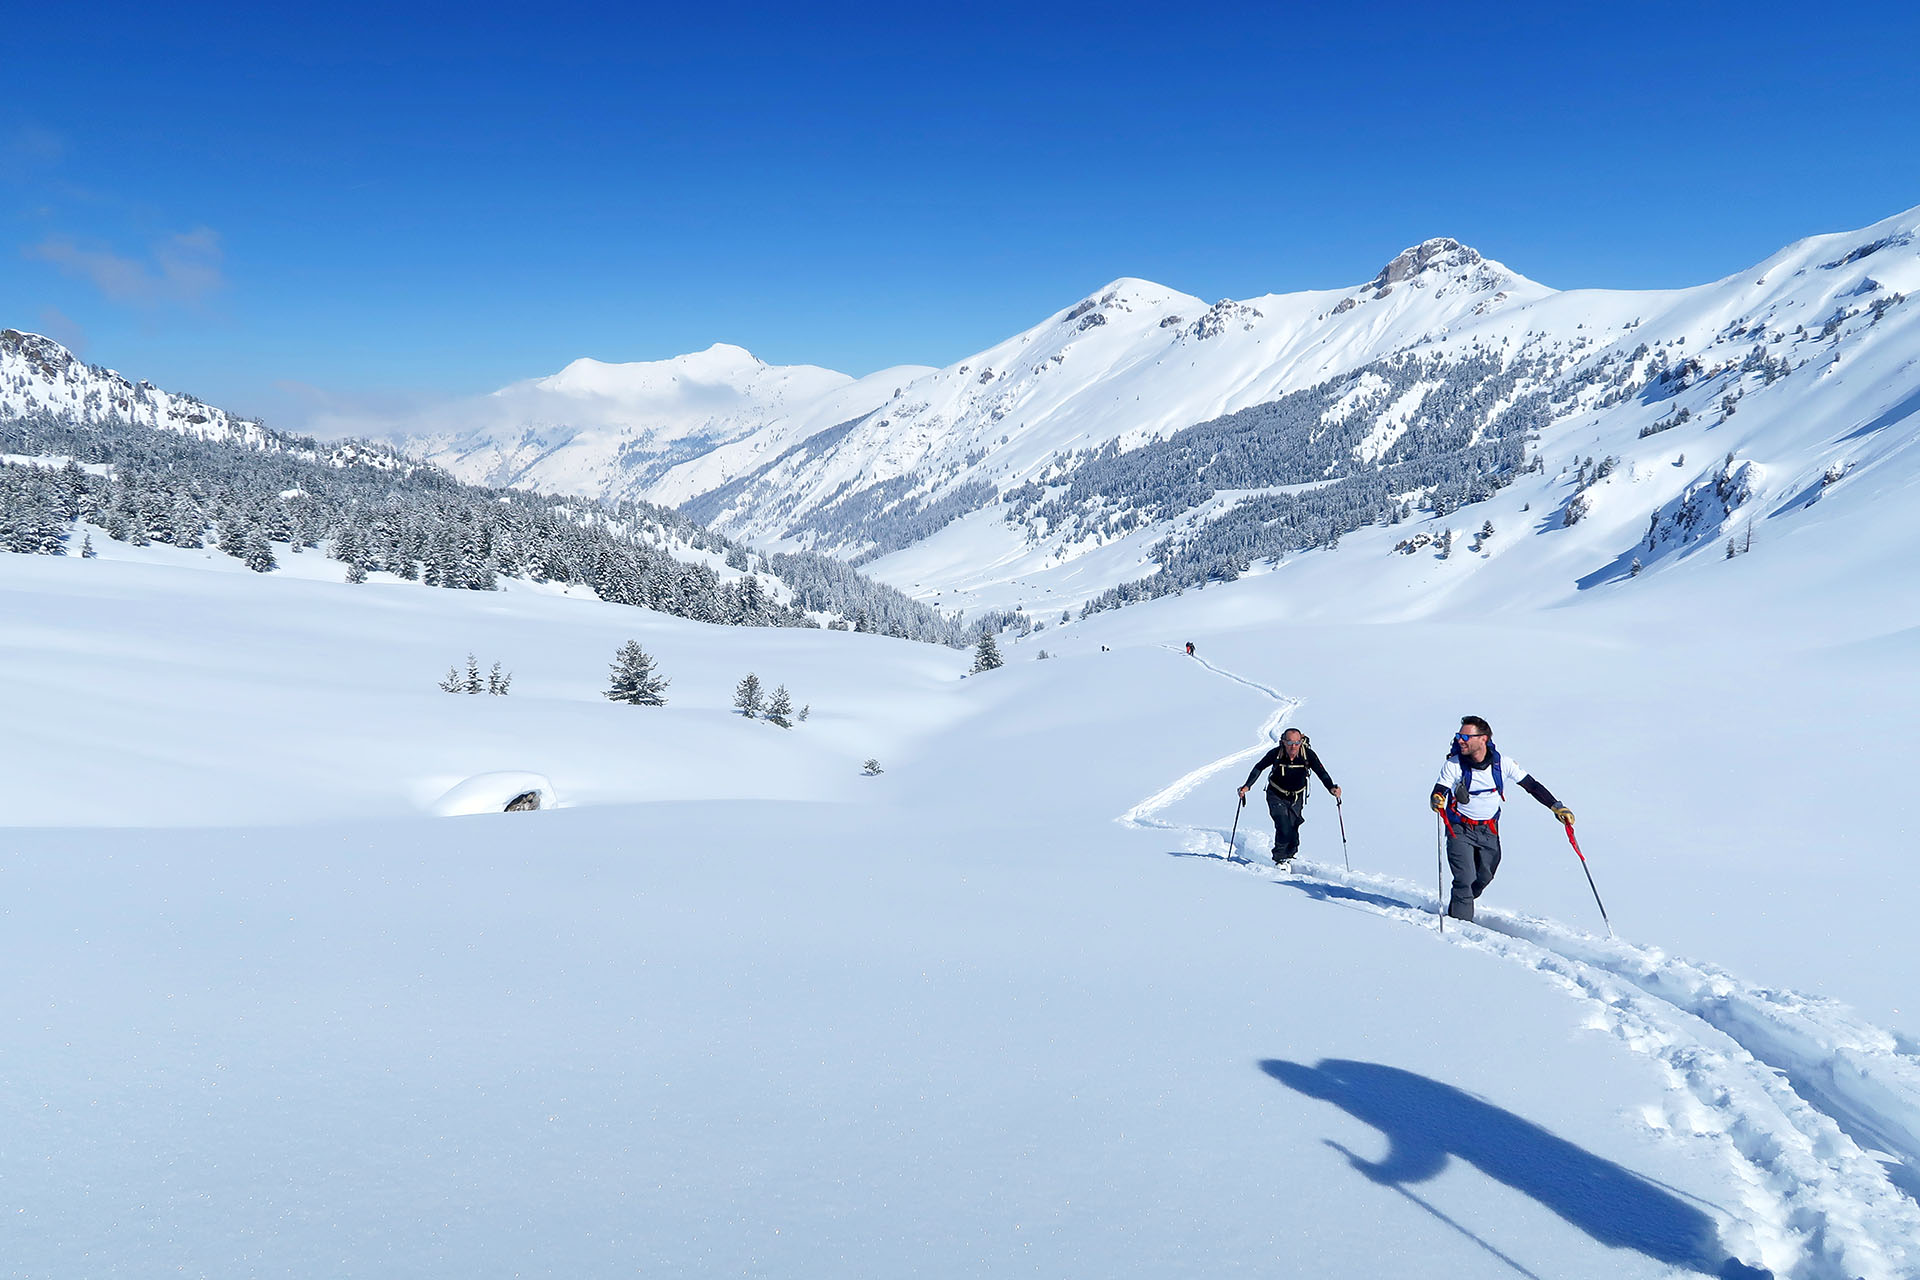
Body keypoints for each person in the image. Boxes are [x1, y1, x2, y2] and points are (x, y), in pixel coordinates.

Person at [1428, 716, 1574, 922]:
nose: (1460, 740)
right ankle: (1458, 929)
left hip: (1489, 830)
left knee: (1484, 876)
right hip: (1459, 828)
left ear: (1483, 739)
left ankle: (1463, 900)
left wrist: (1556, 806)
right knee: (1465, 878)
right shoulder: (1454, 765)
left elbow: (1531, 786)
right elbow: (1440, 789)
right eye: (1458, 736)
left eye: (1465, 737)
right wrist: (1437, 798)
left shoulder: (1503, 764)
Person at [1238, 729, 1341, 866]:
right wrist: (1247, 786)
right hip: (1275, 794)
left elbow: (1321, 772)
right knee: (1283, 826)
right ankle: (1280, 859)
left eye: (1297, 742)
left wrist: (1331, 788)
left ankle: (1290, 856)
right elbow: (1259, 767)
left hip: (1297, 796)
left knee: (1293, 829)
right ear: (1284, 742)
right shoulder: (1276, 753)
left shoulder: (1307, 754)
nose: (1294, 746)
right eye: (1290, 742)